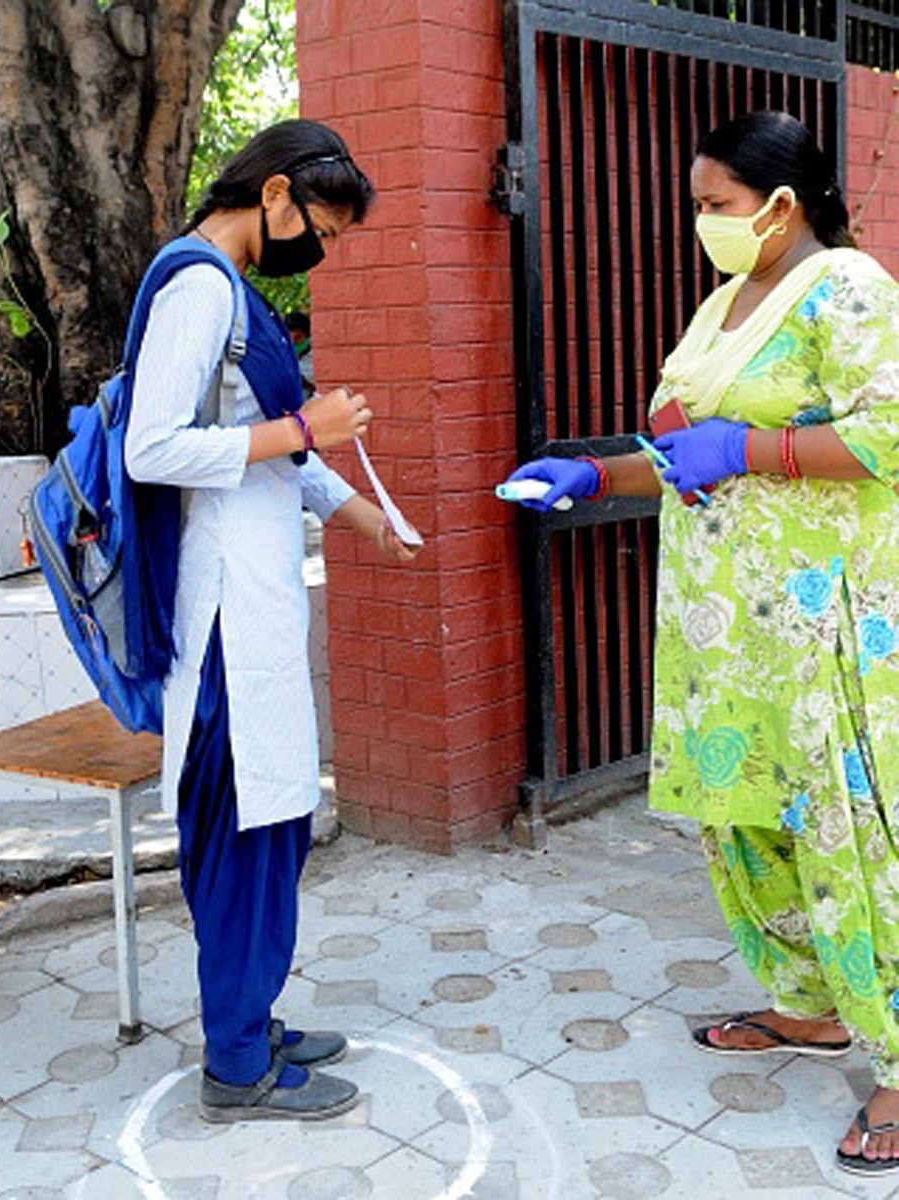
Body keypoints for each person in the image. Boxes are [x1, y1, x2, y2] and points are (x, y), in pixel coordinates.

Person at [505, 111, 899, 1176]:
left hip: (822, 623)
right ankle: (810, 1006)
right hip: (723, 631)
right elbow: (685, 453)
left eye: (714, 204)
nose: (701, 222)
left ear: (783, 204)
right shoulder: (726, 302)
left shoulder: (852, 289)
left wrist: (755, 446)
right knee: (746, 824)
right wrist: (595, 472)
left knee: (844, 833)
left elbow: (885, 435)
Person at [124, 119, 420, 1121]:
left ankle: (248, 1017)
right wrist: (304, 426)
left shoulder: (232, 292)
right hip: (218, 624)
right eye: (324, 232)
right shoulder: (201, 285)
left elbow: (273, 457)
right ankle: (238, 1062)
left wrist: (358, 511)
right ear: (278, 193)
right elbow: (152, 449)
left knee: (272, 824)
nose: (321, 253)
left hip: (250, 607)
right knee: (248, 832)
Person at [284, 309, 317, 396]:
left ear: (308, 336)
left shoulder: (316, 359)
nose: (293, 342)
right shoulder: (280, 357)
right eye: (289, 338)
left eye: (298, 337)